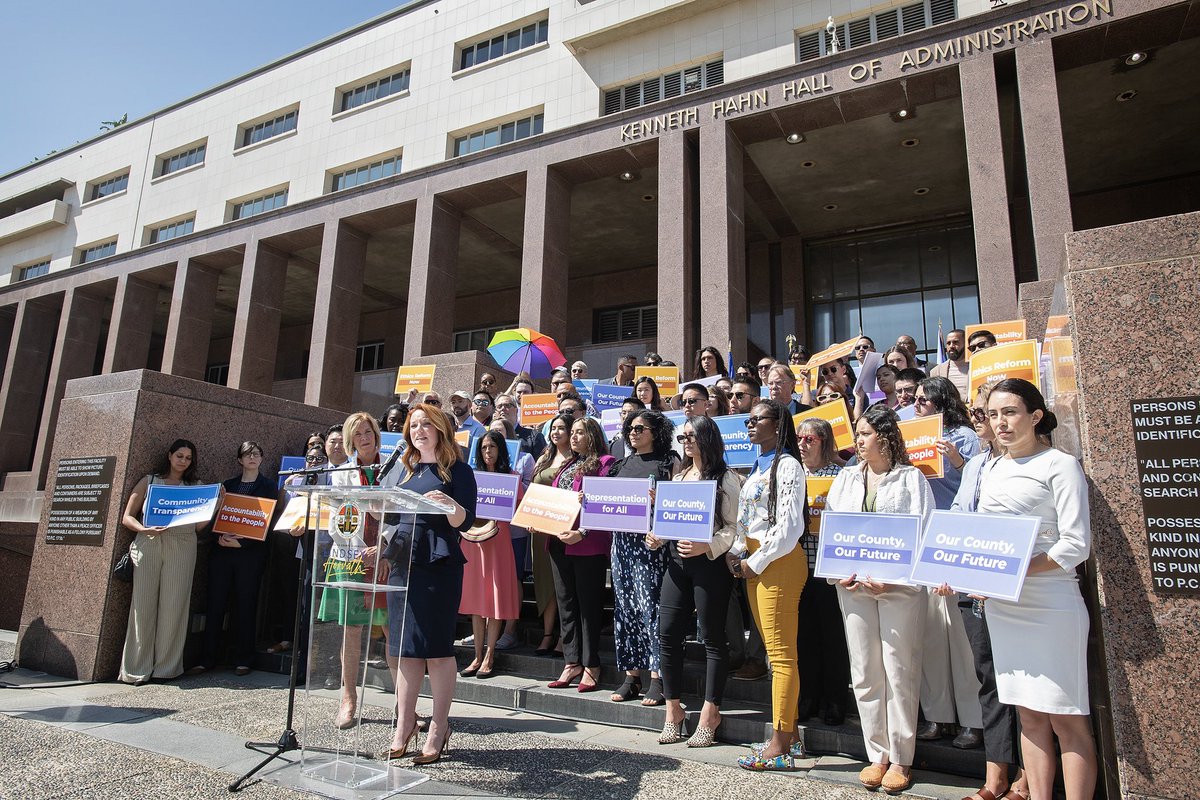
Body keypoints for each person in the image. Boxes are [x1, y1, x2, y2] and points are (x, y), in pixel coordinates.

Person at [976, 379, 1097, 800]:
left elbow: (1075, 544)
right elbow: (982, 540)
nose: (1000, 422)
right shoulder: (993, 468)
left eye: (1010, 412)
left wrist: (1016, 570)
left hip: (1051, 605)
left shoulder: (1060, 465)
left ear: (1035, 415)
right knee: (1029, 716)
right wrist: (969, 574)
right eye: (993, 414)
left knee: (1066, 718)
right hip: (1004, 607)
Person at [825, 404, 935, 794]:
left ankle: (902, 758)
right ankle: (877, 755)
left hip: (898, 591)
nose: (858, 440)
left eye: (865, 433)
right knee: (865, 671)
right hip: (853, 588)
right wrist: (839, 572)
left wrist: (895, 580)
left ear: (886, 437)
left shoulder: (911, 479)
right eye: (857, 433)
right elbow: (833, 529)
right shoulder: (845, 478)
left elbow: (924, 534)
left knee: (899, 671)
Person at [933, 386, 1030, 800]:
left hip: (1014, 590)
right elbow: (958, 514)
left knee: (1024, 684)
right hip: (972, 589)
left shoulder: (1026, 463)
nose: (982, 420)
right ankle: (995, 776)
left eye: (987, 413)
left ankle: (1028, 775)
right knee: (989, 679)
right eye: (979, 413)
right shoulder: (974, 465)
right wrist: (946, 566)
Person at [379, 402, 476, 764]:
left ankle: (439, 725)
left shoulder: (458, 470)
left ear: (440, 430)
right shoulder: (403, 469)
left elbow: (466, 521)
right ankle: (405, 723)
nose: (419, 430)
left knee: (436, 649)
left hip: (438, 563)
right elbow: (391, 516)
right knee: (404, 648)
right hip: (403, 561)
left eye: (426, 424)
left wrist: (449, 505)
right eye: (414, 425)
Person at [650, 415, 742, 747]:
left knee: (713, 638)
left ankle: (710, 712)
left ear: (707, 437)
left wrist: (710, 545)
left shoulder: (727, 478)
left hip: (710, 565)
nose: (686, 442)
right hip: (677, 564)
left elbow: (735, 527)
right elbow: (671, 521)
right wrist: (658, 535)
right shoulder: (678, 477)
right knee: (667, 634)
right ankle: (673, 710)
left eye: (691, 436)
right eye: (683, 437)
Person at [728, 399, 808, 770]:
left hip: (778, 563)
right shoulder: (758, 464)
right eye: (748, 419)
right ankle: (790, 737)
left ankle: (780, 744)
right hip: (755, 563)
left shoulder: (788, 465)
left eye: (756, 419)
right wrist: (737, 551)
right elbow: (749, 518)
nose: (749, 424)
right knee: (775, 656)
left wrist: (755, 561)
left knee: (780, 656)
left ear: (777, 425)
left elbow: (789, 526)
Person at [914, 377, 984, 745]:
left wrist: (957, 460)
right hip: (922, 542)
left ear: (942, 402)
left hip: (954, 541)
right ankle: (937, 717)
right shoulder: (910, 434)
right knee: (931, 635)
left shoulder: (965, 437)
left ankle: (973, 720)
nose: (916, 404)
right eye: (915, 399)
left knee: (960, 638)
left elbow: (976, 487)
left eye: (923, 400)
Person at [119, 439, 207, 685]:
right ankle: (136, 669)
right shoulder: (150, 481)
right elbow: (127, 517)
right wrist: (144, 529)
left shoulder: (195, 487)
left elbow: (199, 526)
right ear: (169, 456)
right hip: (149, 543)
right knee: (142, 606)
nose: (183, 461)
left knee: (174, 606)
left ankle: (166, 669)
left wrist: (216, 505)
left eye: (188, 458)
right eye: (179, 456)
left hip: (182, 545)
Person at [322, 412, 389, 730]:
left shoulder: (394, 466)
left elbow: (402, 513)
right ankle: (348, 699)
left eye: (368, 431)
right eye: (358, 434)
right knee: (352, 628)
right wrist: (359, 551)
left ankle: (404, 705)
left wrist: (384, 548)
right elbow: (338, 519)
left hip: (386, 558)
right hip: (352, 557)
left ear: (377, 434)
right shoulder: (342, 474)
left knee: (391, 629)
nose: (364, 438)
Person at [608, 409, 676, 705]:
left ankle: (658, 678)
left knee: (652, 609)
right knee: (626, 609)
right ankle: (632, 676)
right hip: (622, 545)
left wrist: (662, 501)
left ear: (655, 432)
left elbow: (678, 504)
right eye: (630, 429)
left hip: (651, 546)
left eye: (640, 428)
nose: (633, 433)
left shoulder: (668, 461)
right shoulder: (621, 464)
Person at [546, 417, 614, 693]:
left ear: (593, 435)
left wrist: (582, 532)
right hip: (559, 542)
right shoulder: (566, 464)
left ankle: (591, 664)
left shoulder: (606, 463)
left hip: (588, 543)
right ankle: (571, 661)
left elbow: (605, 505)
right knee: (566, 604)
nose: (573, 437)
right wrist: (538, 519)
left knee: (588, 607)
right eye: (571, 432)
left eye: (579, 432)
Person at [195, 442, 276, 676]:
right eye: (247, 454)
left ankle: (244, 659)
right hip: (222, 552)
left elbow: (267, 521)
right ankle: (207, 658)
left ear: (261, 459)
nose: (252, 457)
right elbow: (216, 515)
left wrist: (243, 543)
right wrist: (220, 538)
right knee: (215, 603)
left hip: (250, 555)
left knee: (246, 605)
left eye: (257, 453)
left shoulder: (268, 486)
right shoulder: (228, 485)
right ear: (240, 460)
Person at [794, 418, 850, 727]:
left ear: (824, 442)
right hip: (798, 567)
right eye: (799, 439)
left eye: (809, 439)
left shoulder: (841, 476)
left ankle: (835, 701)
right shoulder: (794, 474)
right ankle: (808, 698)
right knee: (804, 638)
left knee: (832, 638)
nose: (802, 444)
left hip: (828, 570)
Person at [458, 431, 521, 679]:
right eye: (484, 447)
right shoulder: (472, 476)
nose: (488, 451)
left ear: (500, 449)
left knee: (494, 599)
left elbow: (520, 510)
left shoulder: (511, 477)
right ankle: (476, 655)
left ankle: (489, 655)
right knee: (476, 599)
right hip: (473, 541)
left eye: (492, 447)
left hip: (499, 542)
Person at [528, 415, 572, 657]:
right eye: (553, 428)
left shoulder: (576, 459)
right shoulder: (544, 457)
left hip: (564, 529)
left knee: (562, 584)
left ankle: (565, 637)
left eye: (561, 428)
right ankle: (547, 634)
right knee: (544, 581)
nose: (556, 432)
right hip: (540, 529)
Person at [496, 392, 546, 458]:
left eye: (507, 405)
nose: (503, 408)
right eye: (499, 406)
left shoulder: (534, 437)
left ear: (516, 410)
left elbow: (542, 462)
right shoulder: (489, 436)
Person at [931, 328, 970, 399]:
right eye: (948, 343)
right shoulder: (936, 372)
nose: (951, 346)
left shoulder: (976, 367)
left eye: (955, 342)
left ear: (965, 344)